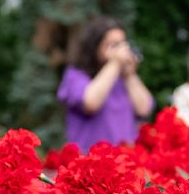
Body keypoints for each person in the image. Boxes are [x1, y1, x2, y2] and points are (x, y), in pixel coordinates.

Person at [57, 18, 154, 153]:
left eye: (122, 44)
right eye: (113, 45)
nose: (121, 51)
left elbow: (144, 109)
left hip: (123, 159)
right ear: (94, 46)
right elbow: (90, 103)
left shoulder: (123, 79)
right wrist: (114, 64)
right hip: (89, 161)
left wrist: (129, 75)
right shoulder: (76, 76)